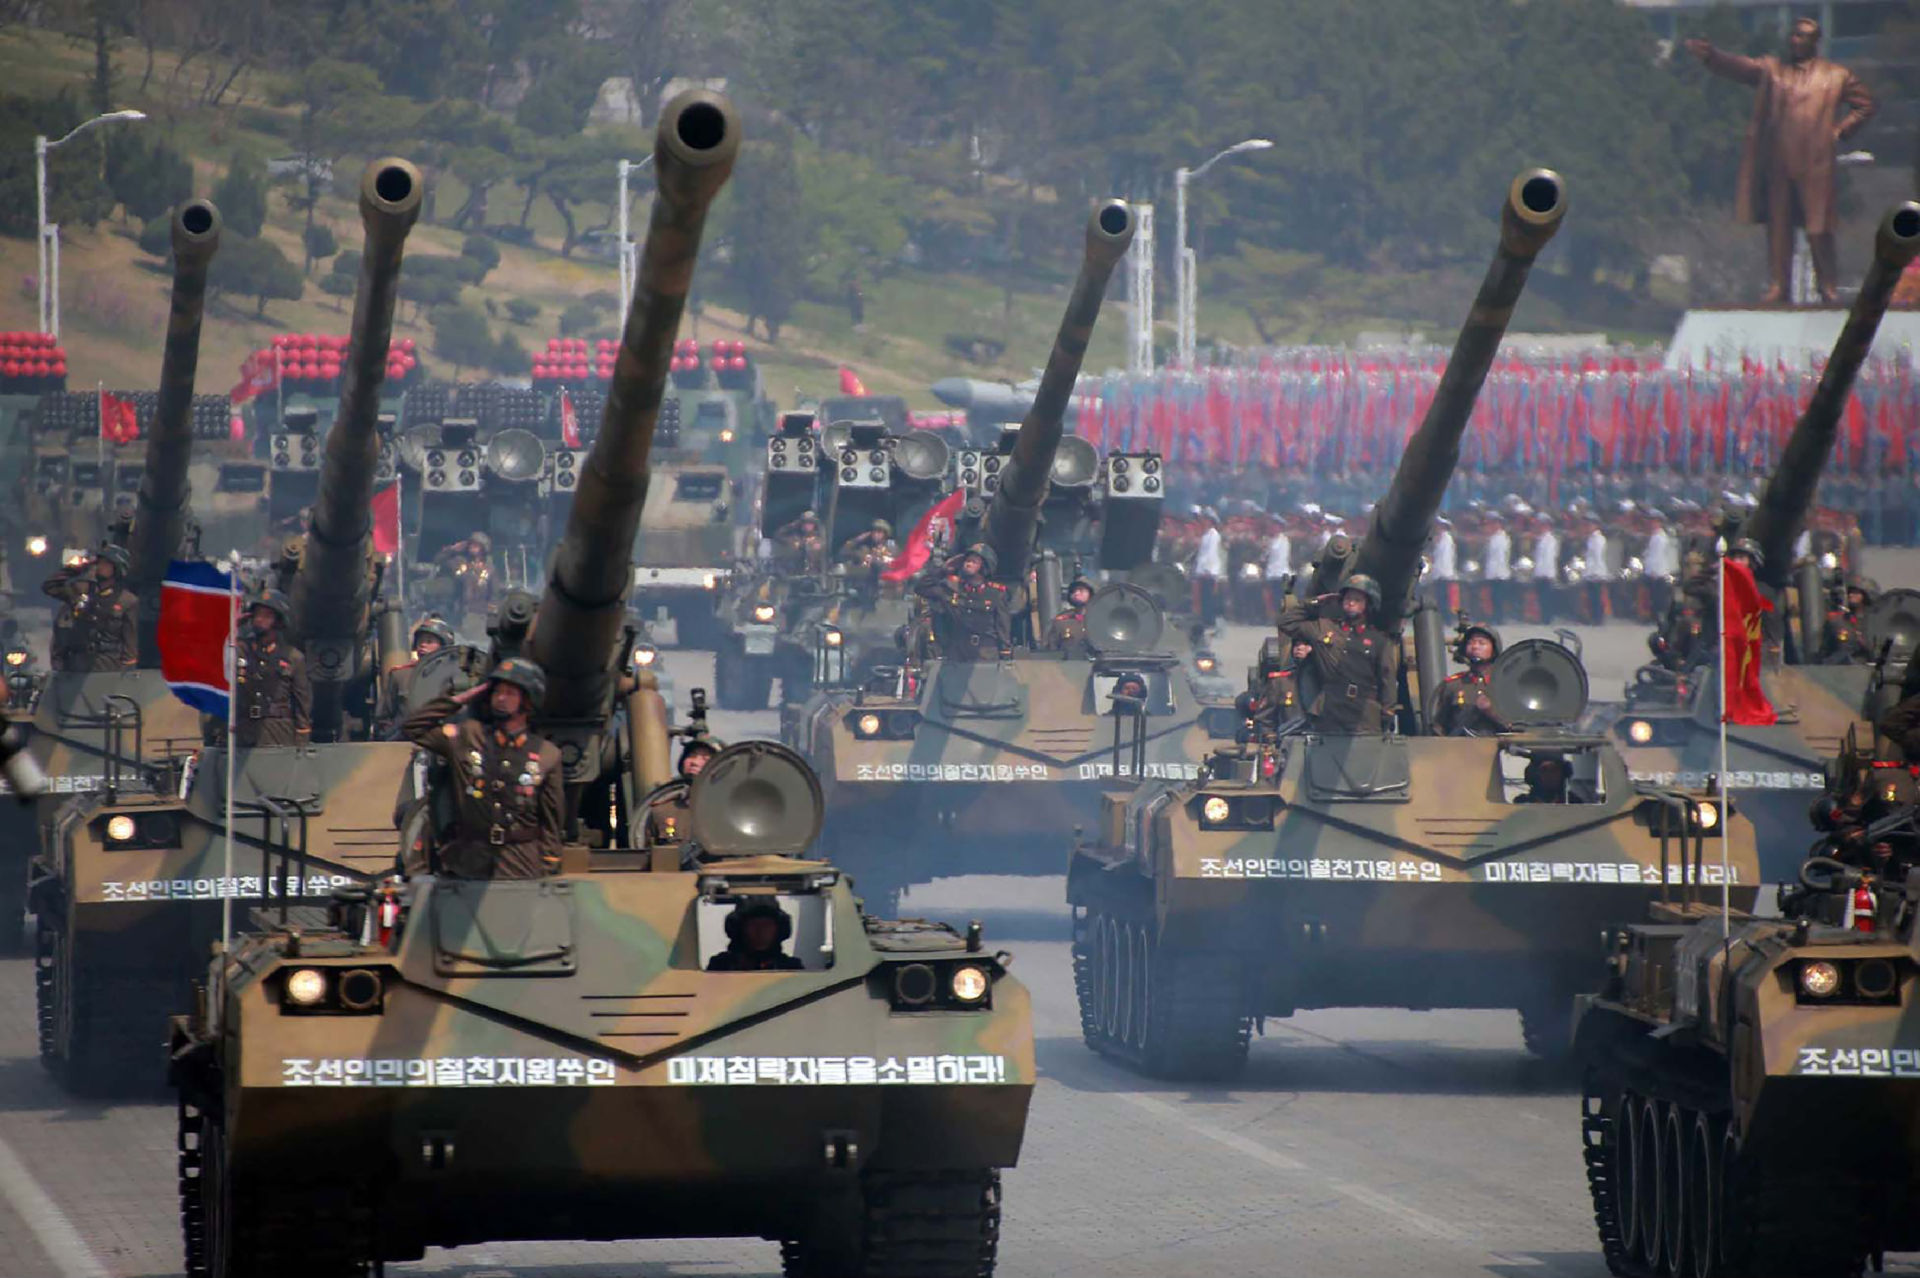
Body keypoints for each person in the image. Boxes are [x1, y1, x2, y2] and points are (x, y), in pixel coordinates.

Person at [1686, 18, 1876, 305]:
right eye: (1793, 35)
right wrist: (1713, 56)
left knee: (1819, 227)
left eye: (1801, 36)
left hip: (1816, 162)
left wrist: (1839, 131)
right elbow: (1742, 67)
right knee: (1779, 225)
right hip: (1779, 160)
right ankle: (1779, 285)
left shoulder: (1836, 75)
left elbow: (1865, 105)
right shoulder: (1774, 70)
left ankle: (1827, 286)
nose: (1794, 41)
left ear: (1815, 41)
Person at [401, 658, 565, 879]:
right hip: (469, 861)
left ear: (527, 701)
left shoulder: (547, 754)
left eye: (510, 693)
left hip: (520, 863)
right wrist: (460, 699)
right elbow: (413, 727)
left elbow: (552, 820)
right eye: (496, 692)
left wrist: (548, 862)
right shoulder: (468, 736)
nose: (501, 698)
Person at [1277, 573, 1398, 734]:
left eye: (1357, 599)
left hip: (1364, 717)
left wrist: (1387, 712)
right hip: (1329, 712)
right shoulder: (1324, 628)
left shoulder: (1378, 640)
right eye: (1347, 598)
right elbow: (1285, 622)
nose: (1351, 603)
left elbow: (1387, 678)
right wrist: (1316, 602)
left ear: (1368, 604)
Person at [232, 591, 312, 747]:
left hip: (278, 732)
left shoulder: (293, 657)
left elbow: (302, 703)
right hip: (244, 731)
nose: (259, 620)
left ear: (278, 621)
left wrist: (302, 738)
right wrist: (234, 626)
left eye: (266, 616)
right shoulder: (240, 650)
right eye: (257, 615)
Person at [43, 545, 137, 672]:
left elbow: (130, 645)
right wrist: (76, 569)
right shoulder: (81, 589)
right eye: (99, 562)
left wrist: (126, 672)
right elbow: (50, 586)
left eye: (106, 564)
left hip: (108, 666)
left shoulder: (127, 600)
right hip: (76, 664)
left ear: (116, 568)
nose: (101, 566)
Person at [916, 543, 1012, 660]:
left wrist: (1005, 652)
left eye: (974, 562)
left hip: (985, 654)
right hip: (957, 654)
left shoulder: (995, 594)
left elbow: (1003, 626)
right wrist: (943, 570)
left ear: (984, 567)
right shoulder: (952, 589)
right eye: (967, 560)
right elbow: (921, 588)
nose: (968, 564)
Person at [378, 617, 455, 737]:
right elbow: (384, 717)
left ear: (443, 646)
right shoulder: (400, 676)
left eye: (429, 641)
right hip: (404, 741)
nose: (423, 645)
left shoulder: (455, 677)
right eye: (420, 641)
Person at [1430, 622, 1508, 737]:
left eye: (1482, 643)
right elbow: (1438, 726)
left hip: (1498, 745)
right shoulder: (1453, 685)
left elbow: (1519, 726)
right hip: (1460, 746)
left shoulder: (1506, 684)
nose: (1475, 646)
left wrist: (1490, 711)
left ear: (1494, 648)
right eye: (1471, 642)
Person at [646, 736, 718, 847]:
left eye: (705, 759)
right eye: (691, 755)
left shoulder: (734, 813)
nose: (695, 762)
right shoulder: (662, 811)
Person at [707, 898, 804, 971]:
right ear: (740, 928)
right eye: (753, 924)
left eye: (767, 925)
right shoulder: (720, 966)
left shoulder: (791, 967)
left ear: (779, 929)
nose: (761, 930)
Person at [1191, 510, 1225, 624]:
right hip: (1202, 571)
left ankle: (1209, 620)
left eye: (1205, 519)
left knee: (1208, 597)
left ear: (1210, 521)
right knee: (1203, 596)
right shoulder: (1206, 535)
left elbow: (1211, 554)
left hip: (1208, 571)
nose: (1203, 521)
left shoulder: (1213, 535)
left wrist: (1207, 570)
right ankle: (1205, 618)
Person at [1515, 753, 1583, 804]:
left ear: (1564, 773)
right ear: (1534, 774)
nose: (1549, 774)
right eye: (1544, 770)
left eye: (1554, 770)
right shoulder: (1521, 803)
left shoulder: (1575, 803)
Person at [1049, 577, 1094, 650]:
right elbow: (1052, 647)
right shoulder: (1062, 620)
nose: (1076, 593)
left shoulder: (1100, 618)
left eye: (1081, 590)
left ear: (1090, 593)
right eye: (1073, 591)